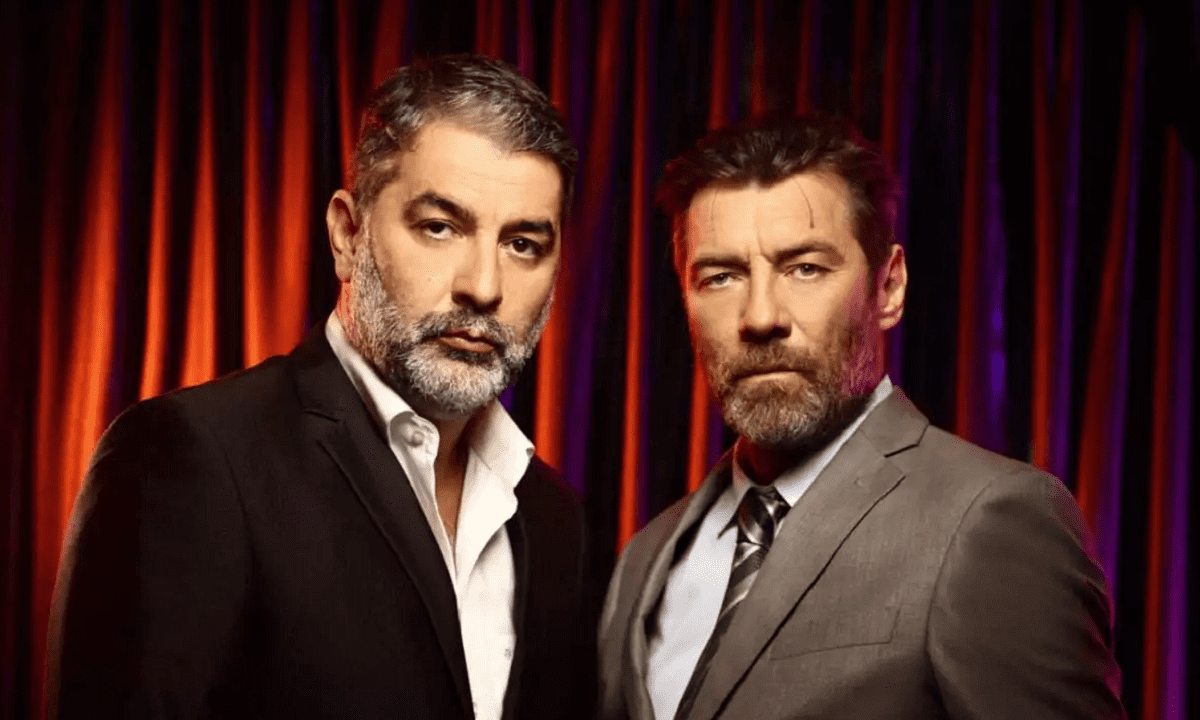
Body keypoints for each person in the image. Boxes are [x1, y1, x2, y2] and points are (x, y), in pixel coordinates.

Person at [47, 54, 593, 719]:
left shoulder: (553, 519)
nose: (483, 286)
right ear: (346, 234)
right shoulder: (193, 457)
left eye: (523, 244)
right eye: (440, 227)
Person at [597, 115, 1125, 720]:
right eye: (721, 277)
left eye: (805, 268)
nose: (761, 316)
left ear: (889, 287)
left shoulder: (993, 520)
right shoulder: (643, 560)